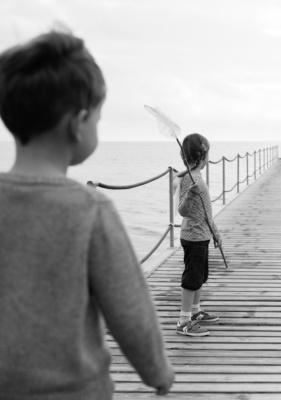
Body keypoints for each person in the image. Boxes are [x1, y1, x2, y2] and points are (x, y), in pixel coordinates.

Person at [0, 30, 174, 398]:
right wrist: (157, 371)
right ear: (78, 123)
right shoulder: (89, 210)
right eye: (98, 117)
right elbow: (129, 308)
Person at [176, 133, 222, 336]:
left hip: (202, 236)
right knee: (191, 279)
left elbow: (206, 211)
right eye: (208, 153)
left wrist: (215, 233)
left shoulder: (197, 176)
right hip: (193, 237)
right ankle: (183, 321)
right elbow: (182, 210)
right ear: (201, 156)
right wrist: (191, 194)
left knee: (200, 277)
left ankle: (195, 312)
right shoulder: (188, 179)